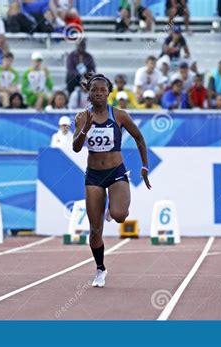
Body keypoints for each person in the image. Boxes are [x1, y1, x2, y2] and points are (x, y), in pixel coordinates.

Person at [72, 73, 151, 287]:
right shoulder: (81, 117)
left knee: (119, 215)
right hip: (94, 176)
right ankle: (100, 269)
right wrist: (84, 130)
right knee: (95, 230)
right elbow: (76, 147)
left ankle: (112, 208)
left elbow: (139, 138)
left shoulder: (119, 115)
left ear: (108, 93)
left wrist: (144, 165)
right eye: (94, 90)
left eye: (102, 90)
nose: (98, 93)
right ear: (89, 93)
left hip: (116, 172)